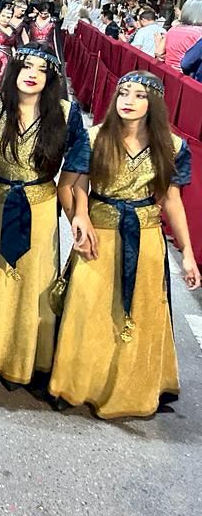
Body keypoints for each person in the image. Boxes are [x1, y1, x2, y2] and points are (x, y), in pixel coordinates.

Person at [50, 71, 198, 418]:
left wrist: (188, 254)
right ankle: (78, 384)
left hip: (145, 238)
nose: (128, 101)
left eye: (139, 95)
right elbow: (76, 183)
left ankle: (131, 389)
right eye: (123, 93)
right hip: (99, 233)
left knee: (139, 314)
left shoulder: (173, 146)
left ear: (154, 103)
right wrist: (80, 216)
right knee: (88, 309)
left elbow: (171, 200)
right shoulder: (95, 137)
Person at [0, 44, 90, 391]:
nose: (32, 74)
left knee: (31, 285)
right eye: (26, 66)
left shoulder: (66, 113)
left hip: (39, 210)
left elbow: (78, 168)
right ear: (14, 70)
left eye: (41, 70)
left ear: (51, 78)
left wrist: (80, 213)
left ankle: (22, 361)